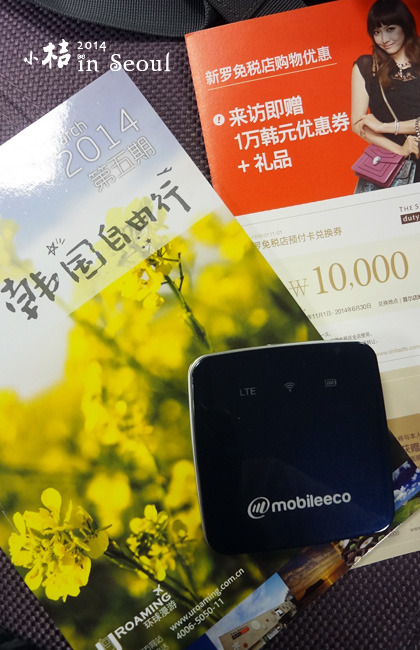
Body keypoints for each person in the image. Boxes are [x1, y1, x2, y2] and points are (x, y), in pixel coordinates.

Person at [351, 0, 420, 184]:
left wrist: (384, 127)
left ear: (405, 25)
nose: (384, 39)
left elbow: (377, 126)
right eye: (377, 32)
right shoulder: (366, 67)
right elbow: (358, 124)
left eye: (390, 29)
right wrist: (401, 150)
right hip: (398, 168)